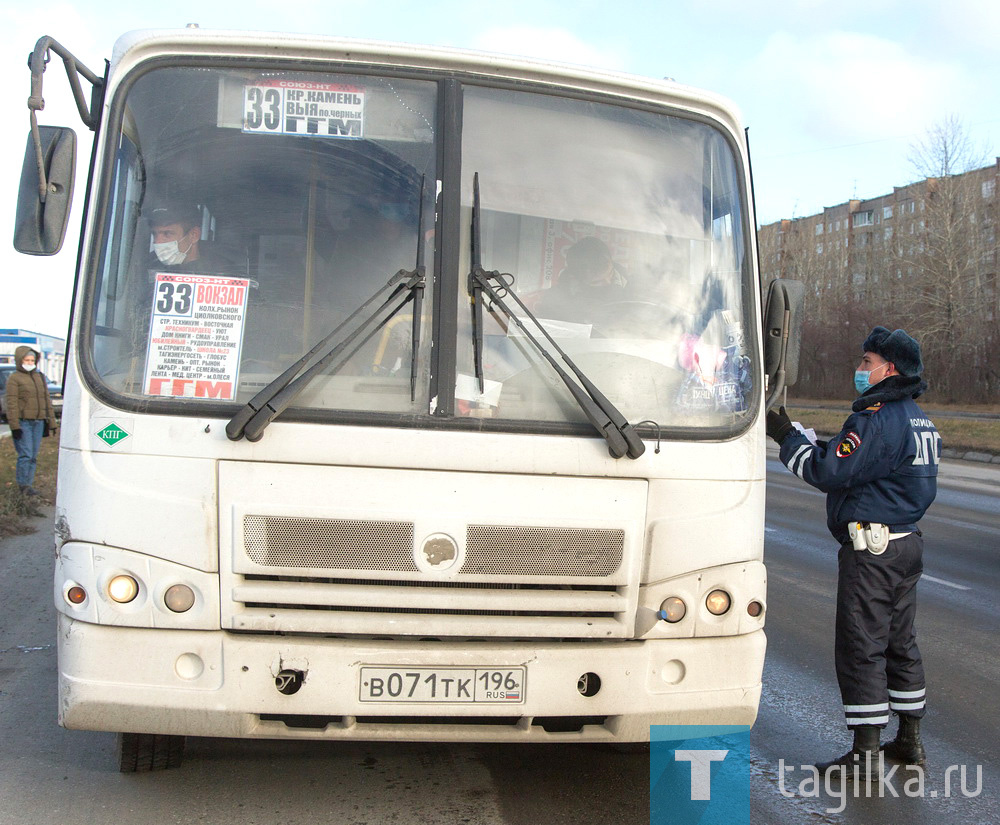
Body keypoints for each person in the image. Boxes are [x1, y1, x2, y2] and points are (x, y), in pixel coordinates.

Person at [766, 327, 939, 780]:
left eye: (866, 361)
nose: (859, 370)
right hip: (906, 545)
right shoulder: (919, 418)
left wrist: (786, 436)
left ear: (890, 369)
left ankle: (864, 755)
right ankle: (909, 739)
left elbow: (829, 471)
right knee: (901, 642)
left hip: (873, 552)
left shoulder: (876, 418)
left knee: (862, 646)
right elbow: (866, 466)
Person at [5, 346, 58, 496]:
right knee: (26, 454)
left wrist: (52, 423)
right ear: (20, 360)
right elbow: (12, 403)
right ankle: (23, 486)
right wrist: (15, 426)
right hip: (24, 423)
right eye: (27, 360)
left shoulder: (39, 376)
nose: (30, 362)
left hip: (38, 422)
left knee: (33, 456)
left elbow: (46, 400)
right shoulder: (14, 378)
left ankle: (29, 485)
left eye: (32, 360)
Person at [536, 236, 627, 322]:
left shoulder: (636, 286)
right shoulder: (555, 301)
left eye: (612, 275)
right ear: (577, 280)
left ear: (611, 261)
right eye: (598, 282)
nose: (608, 283)